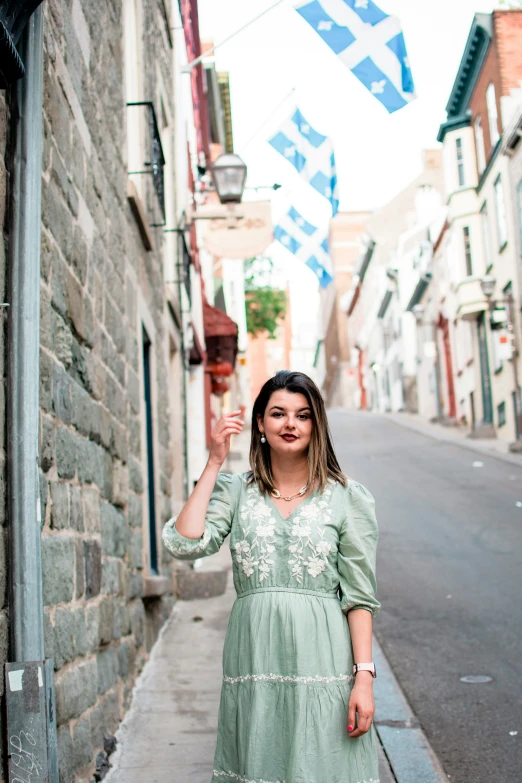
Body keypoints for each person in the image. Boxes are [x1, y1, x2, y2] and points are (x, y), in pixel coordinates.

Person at [162, 370, 381, 783]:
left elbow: (359, 598)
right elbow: (184, 541)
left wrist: (364, 679)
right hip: (255, 654)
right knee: (260, 762)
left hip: (324, 659)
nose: (290, 424)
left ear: (316, 424)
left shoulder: (347, 497)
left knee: (322, 764)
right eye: (278, 413)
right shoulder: (236, 491)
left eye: (302, 415)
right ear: (260, 423)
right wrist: (213, 461)